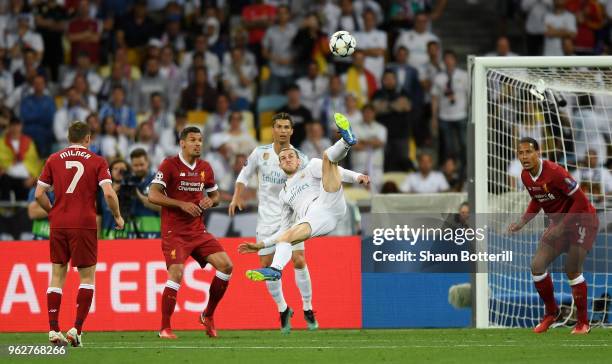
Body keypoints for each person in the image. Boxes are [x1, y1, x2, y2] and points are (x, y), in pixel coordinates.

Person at [238, 113, 369, 289]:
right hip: (314, 218)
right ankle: (275, 270)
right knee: (286, 237)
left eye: (291, 156)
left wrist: (357, 176)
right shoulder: (283, 195)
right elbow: (283, 230)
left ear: (298, 160)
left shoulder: (310, 167)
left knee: (327, 158)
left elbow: (337, 172)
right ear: (280, 165)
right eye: (283, 159)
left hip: (328, 201)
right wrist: (260, 245)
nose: (287, 159)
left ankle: (346, 141)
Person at [35, 121, 124, 347]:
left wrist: (53, 212)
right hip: (84, 223)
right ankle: (77, 329)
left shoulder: (54, 159)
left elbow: (38, 194)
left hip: (59, 223)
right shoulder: (97, 161)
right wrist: (117, 216)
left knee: (57, 275)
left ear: (68, 138)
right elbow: (109, 193)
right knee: (86, 277)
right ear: (88, 139)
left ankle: (54, 330)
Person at [229, 113, 314, 334]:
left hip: (293, 217)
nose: (283, 130)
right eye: (279, 126)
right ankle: (283, 309)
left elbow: (310, 185)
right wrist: (237, 196)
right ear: (273, 130)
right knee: (266, 267)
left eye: (287, 126)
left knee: (298, 260)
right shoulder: (260, 153)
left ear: (292, 131)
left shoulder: (301, 158)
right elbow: (243, 176)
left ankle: (308, 307)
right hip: (267, 219)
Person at [148, 126, 233, 339]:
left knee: (226, 265)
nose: (197, 144)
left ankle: (208, 315)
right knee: (176, 273)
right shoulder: (169, 165)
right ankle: (164, 328)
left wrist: (210, 201)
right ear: (182, 143)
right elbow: (153, 195)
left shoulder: (205, 167)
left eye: (200, 140)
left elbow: (216, 197)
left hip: (197, 230)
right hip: (174, 231)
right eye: (193, 140)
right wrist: (180, 204)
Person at [507, 137, 598, 335]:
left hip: (582, 221)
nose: (524, 156)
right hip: (560, 225)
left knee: (572, 268)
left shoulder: (555, 173)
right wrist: (522, 222)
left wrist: (562, 225)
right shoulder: (525, 176)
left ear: (538, 153)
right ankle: (551, 313)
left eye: (528, 152)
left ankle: (583, 323)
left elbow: (581, 201)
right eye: (520, 153)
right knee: (537, 266)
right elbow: (537, 199)